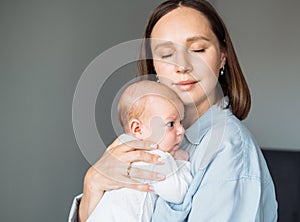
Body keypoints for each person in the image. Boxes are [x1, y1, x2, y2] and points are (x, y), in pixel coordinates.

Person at [70, 0, 278, 221]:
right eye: (166, 54)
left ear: (222, 55)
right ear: (154, 66)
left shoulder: (229, 149)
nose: (182, 66)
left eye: (197, 49)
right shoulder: (152, 137)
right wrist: (92, 183)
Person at [86, 80, 192, 221]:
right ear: (138, 129)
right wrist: (180, 162)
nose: (181, 130)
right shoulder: (153, 157)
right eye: (171, 124)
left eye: (181, 122)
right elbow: (178, 193)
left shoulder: (118, 155)